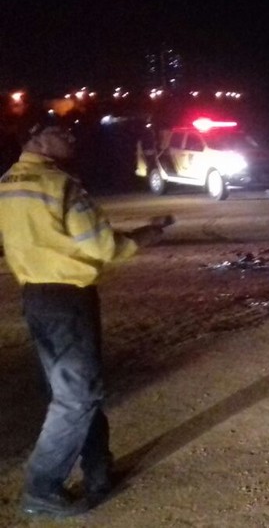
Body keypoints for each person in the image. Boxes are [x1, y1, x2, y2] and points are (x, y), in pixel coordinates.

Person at [0, 123, 166, 518]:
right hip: (68, 299)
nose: (72, 138)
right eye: (62, 133)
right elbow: (103, 246)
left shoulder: (7, 182)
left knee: (77, 390)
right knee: (78, 397)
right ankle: (42, 489)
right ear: (36, 140)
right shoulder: (62, 186)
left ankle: (98, 470)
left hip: (36, 297)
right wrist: (147, 235)